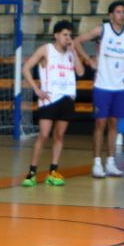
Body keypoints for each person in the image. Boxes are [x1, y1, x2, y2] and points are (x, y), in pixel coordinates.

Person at [74, 1, 124, 180]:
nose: (122, 15)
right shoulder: (102, 30)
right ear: (110, 15)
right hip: (103, 86)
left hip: (121, 86)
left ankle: (111, 162)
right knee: (100, 124)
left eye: (123, 12)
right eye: (118, 12)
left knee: (114, 125)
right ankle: (97, 162)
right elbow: (76, 41)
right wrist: (88, 60)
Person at [21, 20, 83, 188]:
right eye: (65, 35)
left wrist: (74, 52)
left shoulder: (71, 52)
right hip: (49, 98)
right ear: (56, 35)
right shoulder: (46, 49)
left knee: (59, 136)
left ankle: (53, 171)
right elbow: (26, 68)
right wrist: (36, 89)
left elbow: (81, 72)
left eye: (70, 35)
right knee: (44, 134)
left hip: (66, 98)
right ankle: (32, 172)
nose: (68, 38)